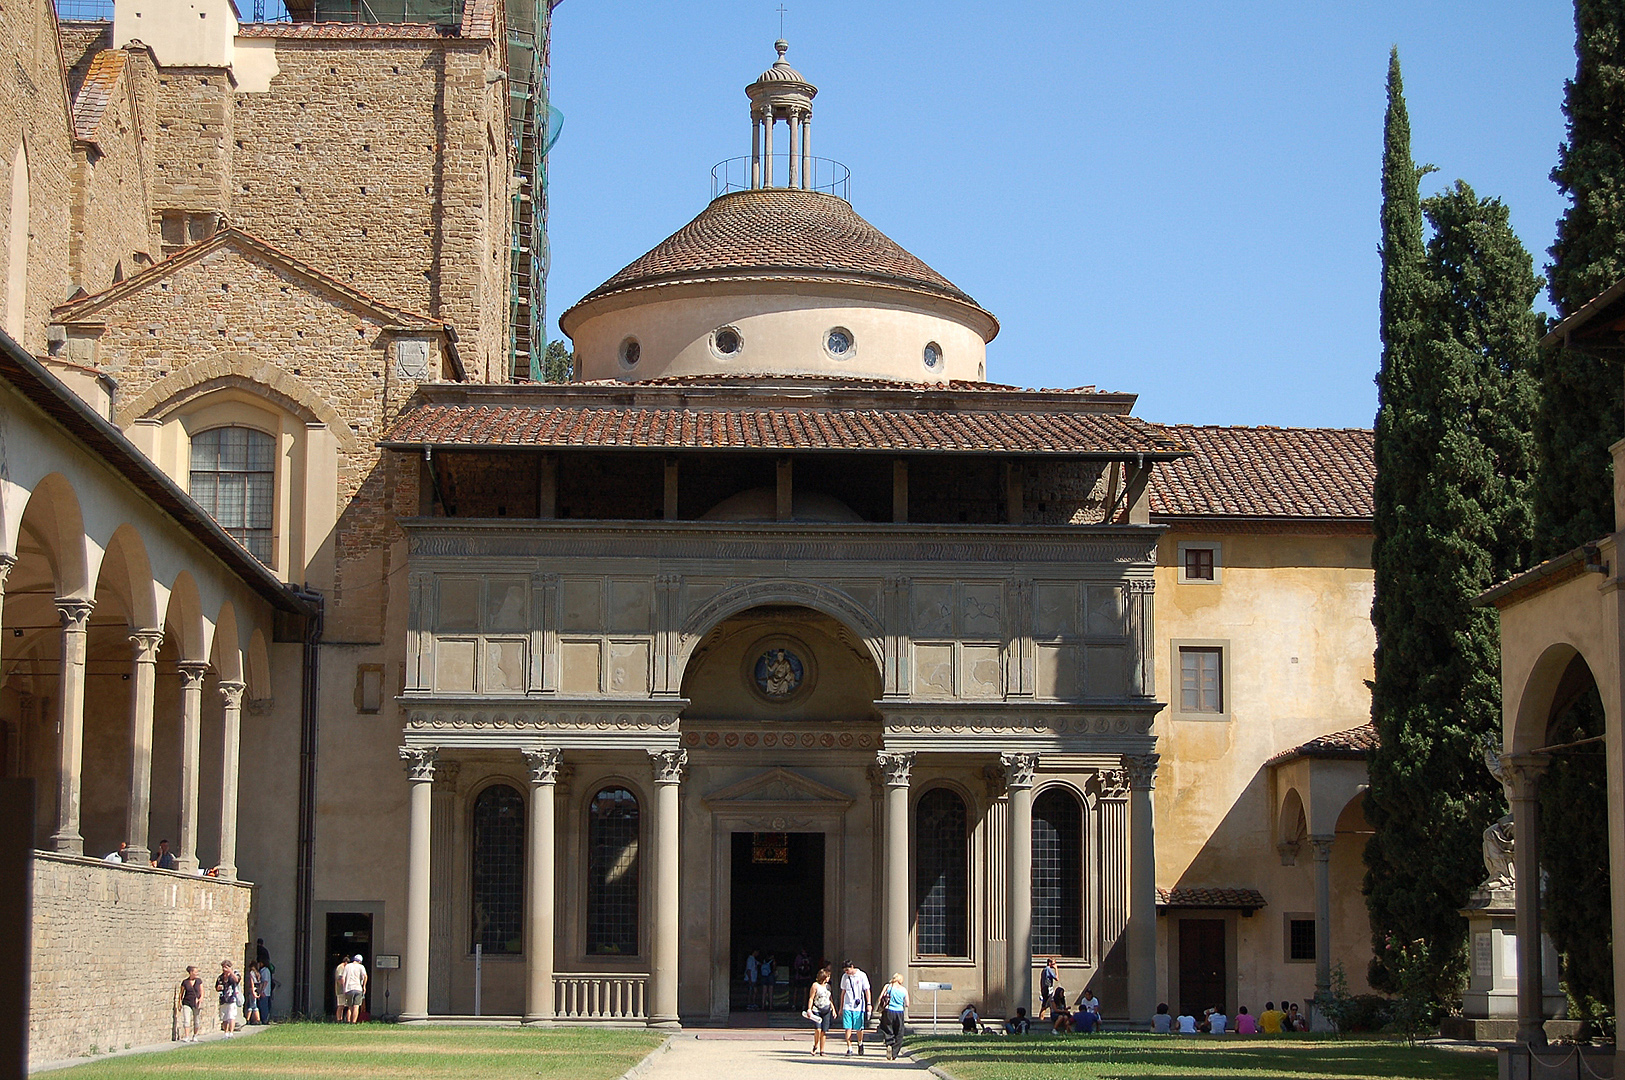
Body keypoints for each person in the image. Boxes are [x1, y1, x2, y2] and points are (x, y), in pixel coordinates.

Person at [839, 960, 872, 1055]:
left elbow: (867, 990)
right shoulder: (845, 977)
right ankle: (849, 1048)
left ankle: (860, 1043)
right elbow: (843, 992)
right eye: (845, 970)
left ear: (852, 967)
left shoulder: (862, 975)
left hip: (858, 1006)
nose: (846, 972)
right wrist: (841, 1007)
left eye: (847, 969)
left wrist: (868, 1004)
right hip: (847, 1005)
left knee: (859, 1028)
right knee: (847, 1027)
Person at [878, 973, 908, 1059]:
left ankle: (889, 1043)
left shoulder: (888, 986)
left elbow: (881, 997)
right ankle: (895, 1053)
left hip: (888, 1010)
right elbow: (907, 1003)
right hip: (899, 1012)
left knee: (887, 1028)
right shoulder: (903, 989)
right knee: (899, 1032)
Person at [806, 967, 834, 1057]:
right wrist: (809, 1009)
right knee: (818, 1029)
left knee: (824, 1031)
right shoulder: (815, 985)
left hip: (826, 1008)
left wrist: (833, 1009)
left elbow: (830, 998)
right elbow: (811, 998)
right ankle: (815, 1045)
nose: (829, 978)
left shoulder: (828, 987)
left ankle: (822, 1050)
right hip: (816, 1009)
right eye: (828, 976)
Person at [177, 966, 204, 1042]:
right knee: (187, 1019)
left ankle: (195, 1035)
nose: (197, 973)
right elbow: (181, 993)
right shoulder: (185, 982)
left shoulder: (199, 981)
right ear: (191, 972)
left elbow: (202, 991)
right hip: (187, 1002)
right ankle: (187, 1036)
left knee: (196, 1020)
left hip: (196, 1002)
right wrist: (179, 1002)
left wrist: (201, 999)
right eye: (195, 972)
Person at [337, 954, 367, 1022]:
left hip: (349, 988)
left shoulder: (347, 966)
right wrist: (364, 986)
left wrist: (344, 988)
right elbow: (365, 976)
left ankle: (348, 1020)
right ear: (360, 961)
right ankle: (354, 1021)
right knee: (356, 1006)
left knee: (349, 1007)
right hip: (358, 988)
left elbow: (343, 978)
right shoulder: (361, 967)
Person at [215, 960, 241, 1034]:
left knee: (231, 1016)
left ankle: (231, 1032)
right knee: (224, 1017)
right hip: (223, 999)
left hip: (232, 998)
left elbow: (237, 980)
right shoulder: (220, 978)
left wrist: (231, 972)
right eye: (223, 967)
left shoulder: (234, 975)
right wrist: (218, 988)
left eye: (226, 967)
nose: (224, 969)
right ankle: (226, 1032)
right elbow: (216, 987)